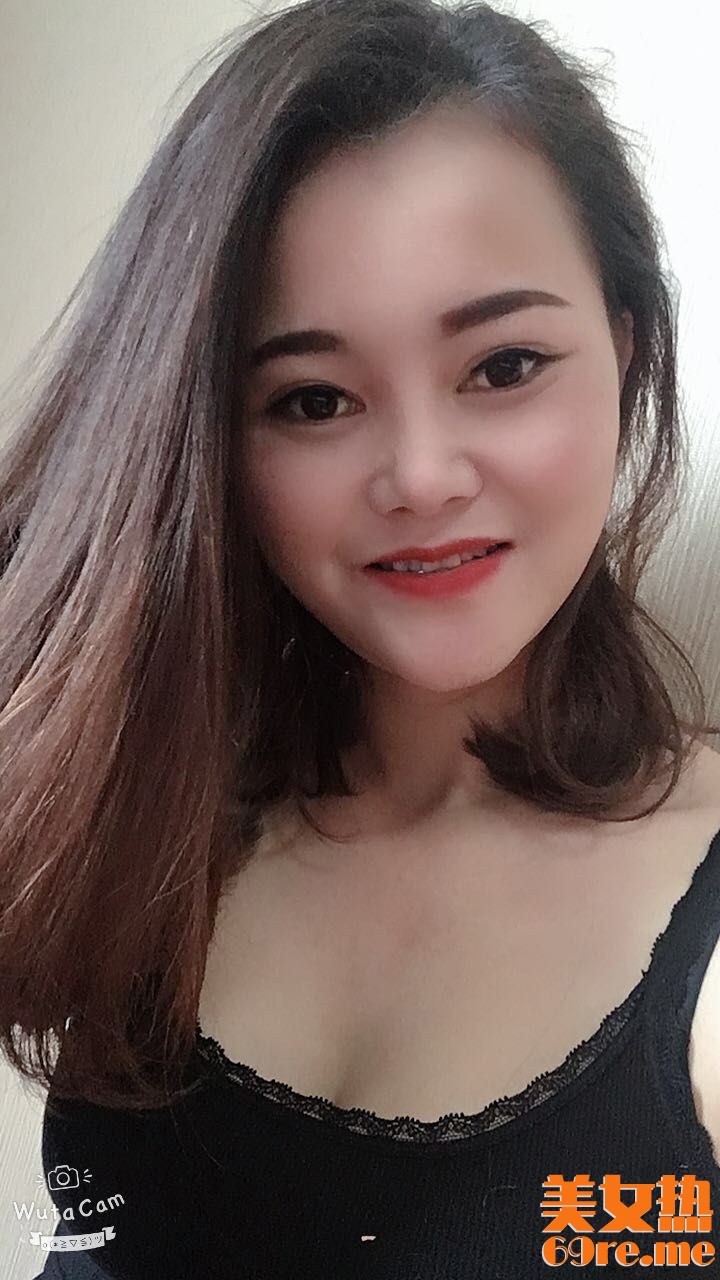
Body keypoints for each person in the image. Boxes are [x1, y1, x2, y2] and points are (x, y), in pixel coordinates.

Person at [1, 0, 719, 1275]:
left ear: (623, 349)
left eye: (504, 365)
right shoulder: (135, 826)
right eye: (315, 398)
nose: (423, 477)